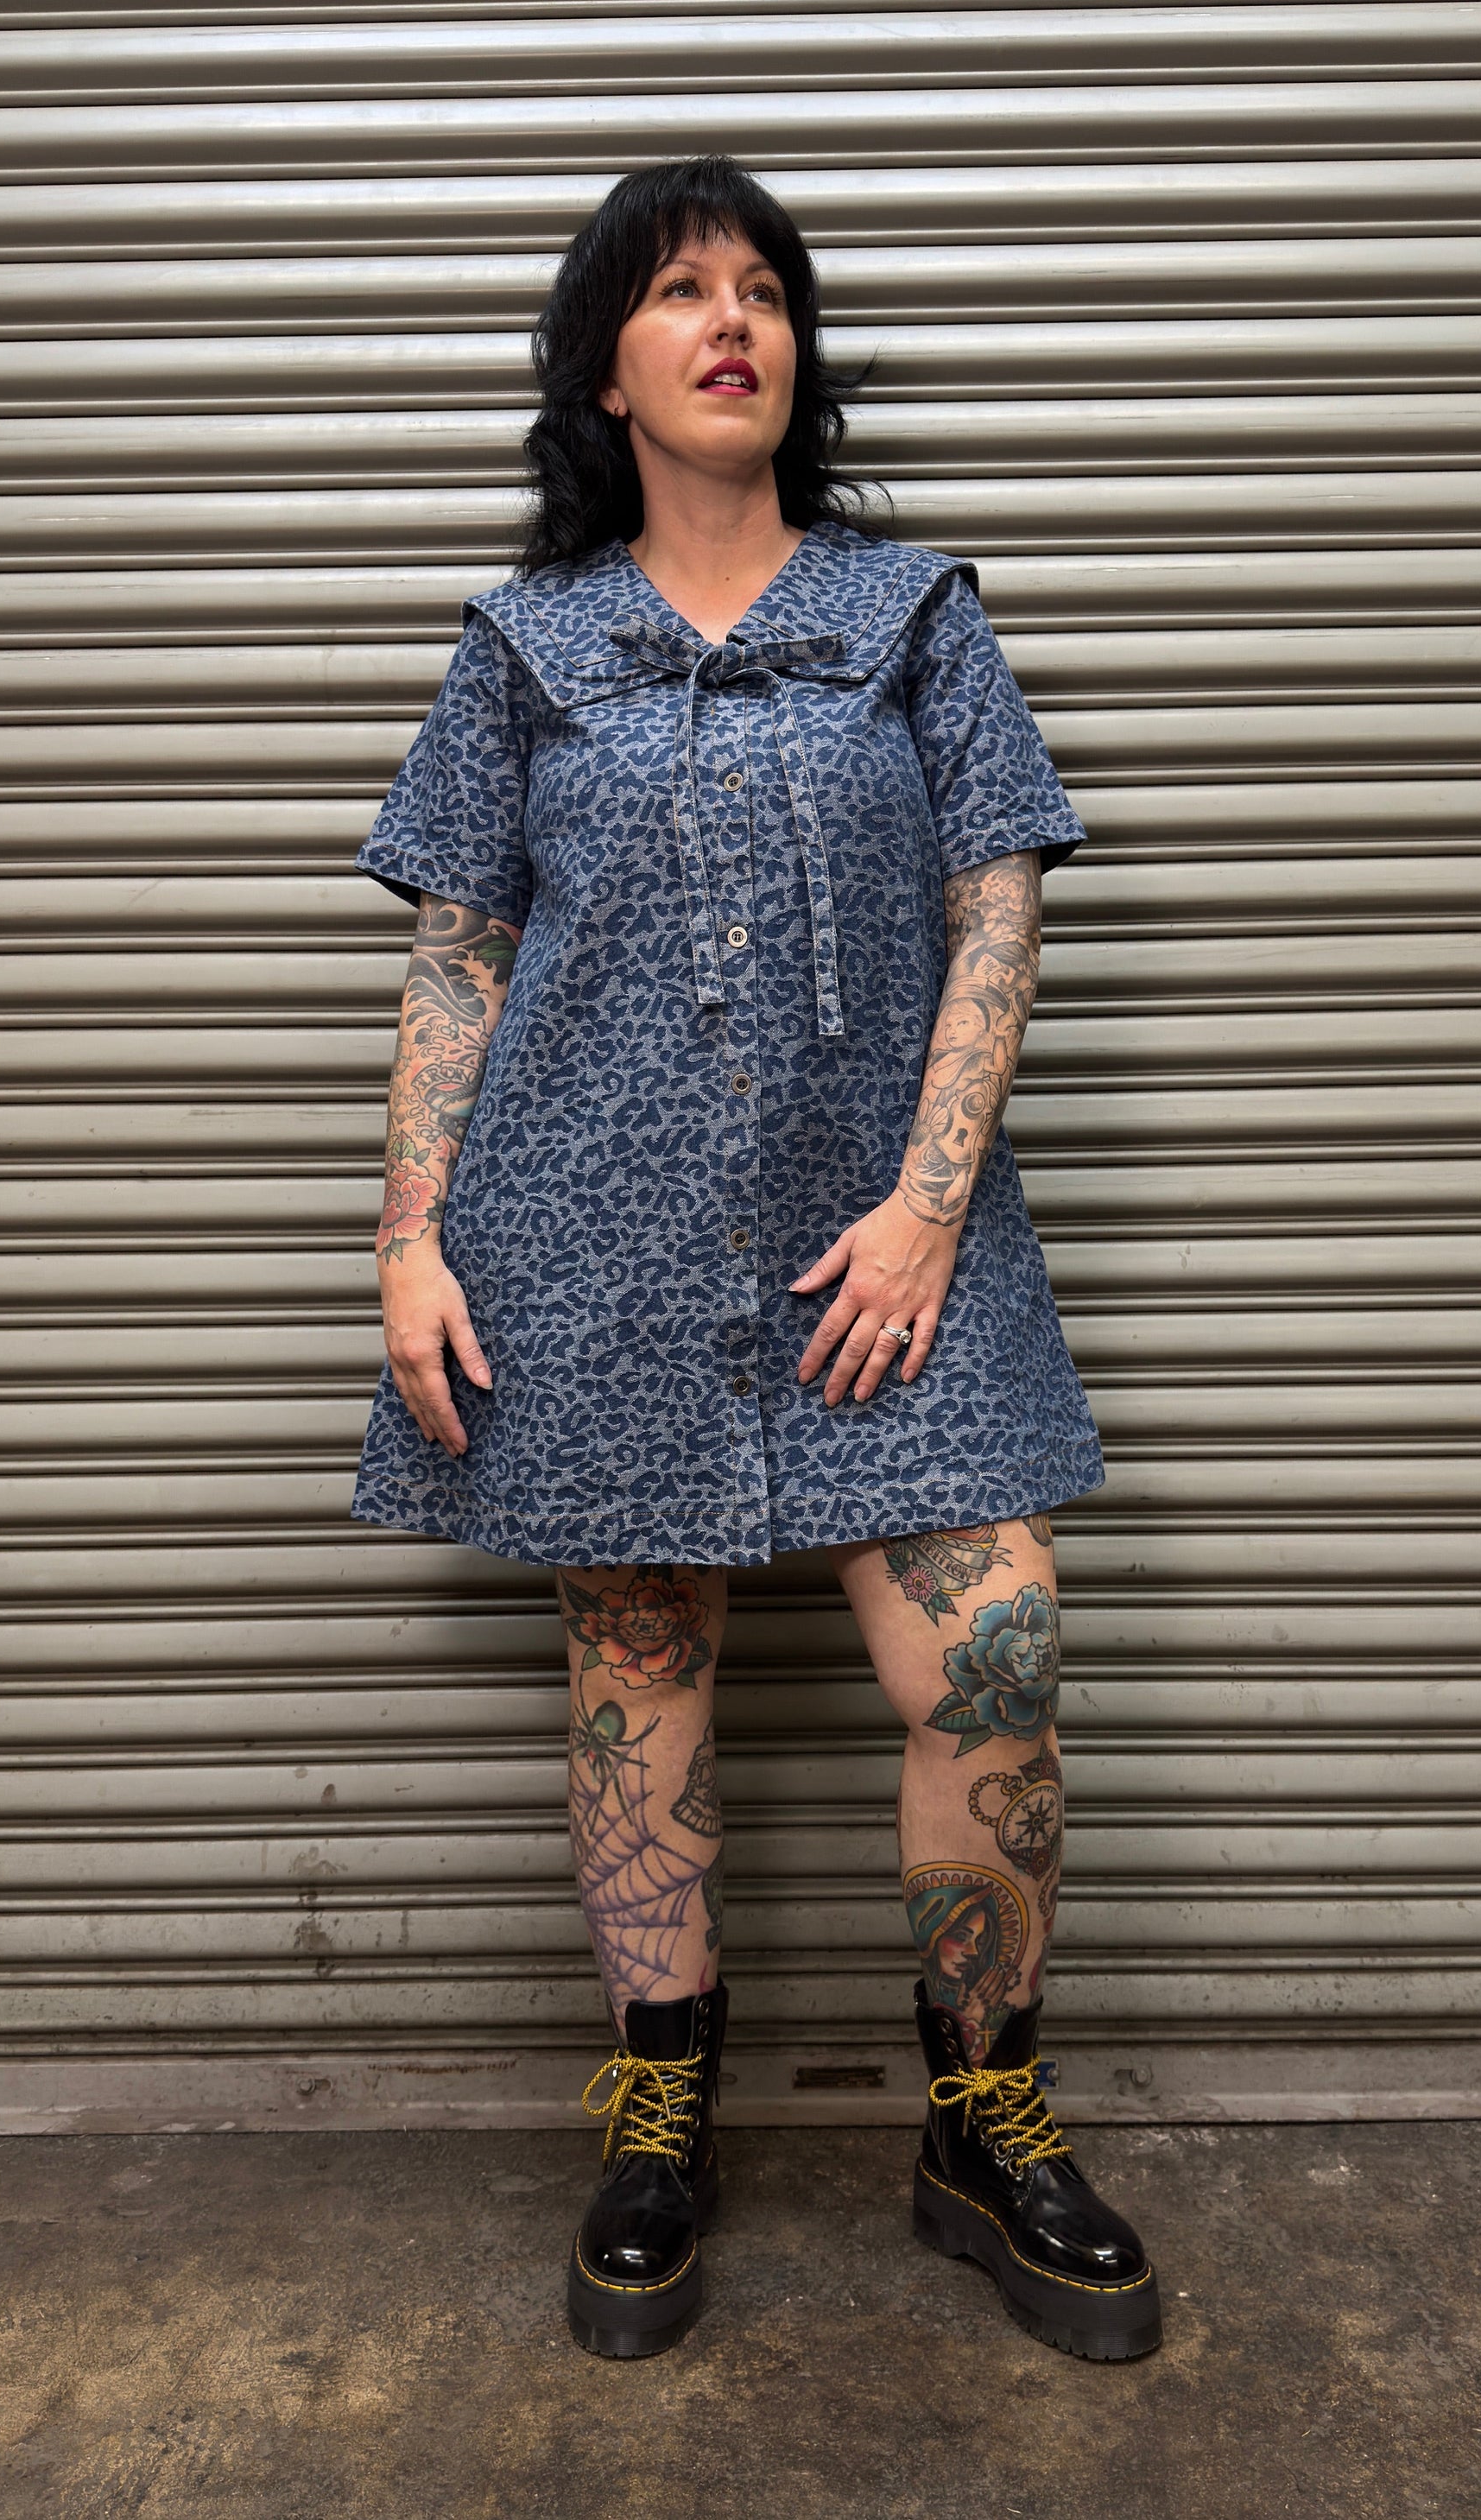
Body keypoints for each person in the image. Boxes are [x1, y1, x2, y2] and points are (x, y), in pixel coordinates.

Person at [351, 155, 1161, 2365]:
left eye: (764, 291)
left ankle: (980, 2115)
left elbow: (1002, 897)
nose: (735, 322)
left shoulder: (913, 614)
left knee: (991, 1649)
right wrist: (411, 1237)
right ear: (602, 368)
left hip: (887, 1241)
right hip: (581, 1242)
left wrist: (923, 1199)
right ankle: (659, 2105)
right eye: (679, 292)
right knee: (637, 1664)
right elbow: (457, 950)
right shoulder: (525, 650)